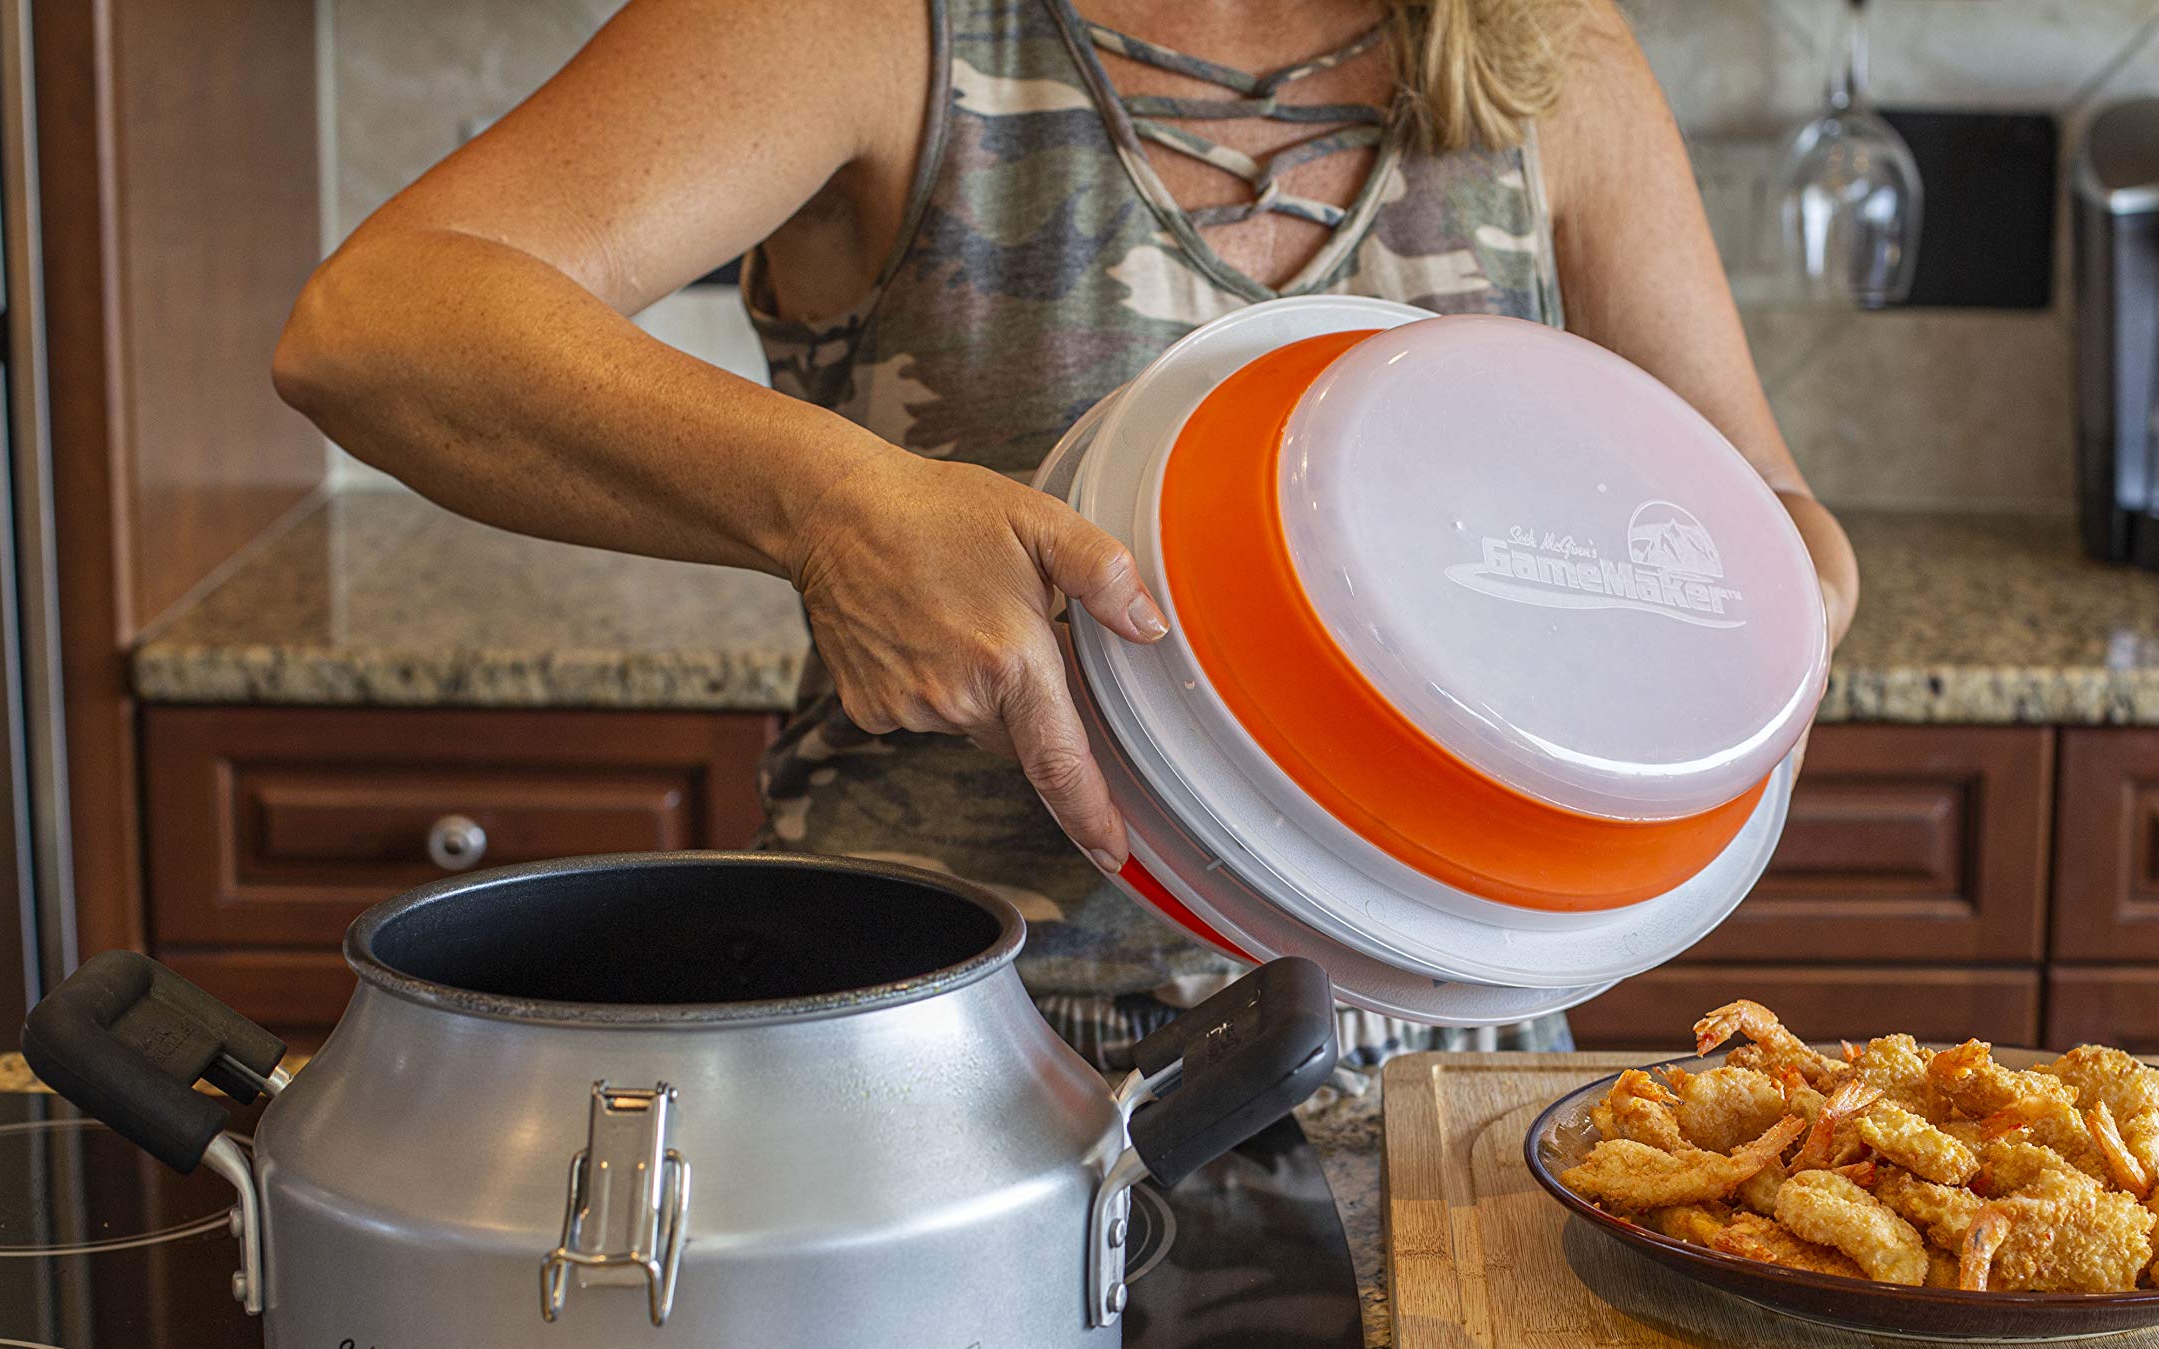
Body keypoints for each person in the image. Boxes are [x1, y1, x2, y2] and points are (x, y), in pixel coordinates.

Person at [274, 0, 1858, 1073]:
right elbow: (382, 324)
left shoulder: (1539, 51)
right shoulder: (875, 25)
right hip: (952, 1049)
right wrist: (832, 505)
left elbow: (1765, 524)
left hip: (1448, 1075)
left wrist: (1738, 624)